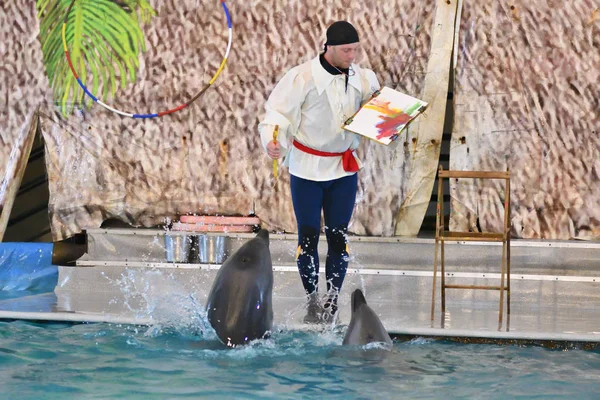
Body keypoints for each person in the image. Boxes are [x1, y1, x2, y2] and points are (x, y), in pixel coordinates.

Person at [258, 21, 380, 323]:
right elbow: (277, 115)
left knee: (338, 236)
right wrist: (273, 141)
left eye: (355, 49)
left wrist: (391, 118)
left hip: (343, 167)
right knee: (308, 236)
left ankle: (332, 300)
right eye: (346, 50)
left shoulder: (364, 78)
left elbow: (377, 110)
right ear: (329, 48)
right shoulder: (301, 77)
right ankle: (312, 298)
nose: (352, 55)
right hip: (306, 168)